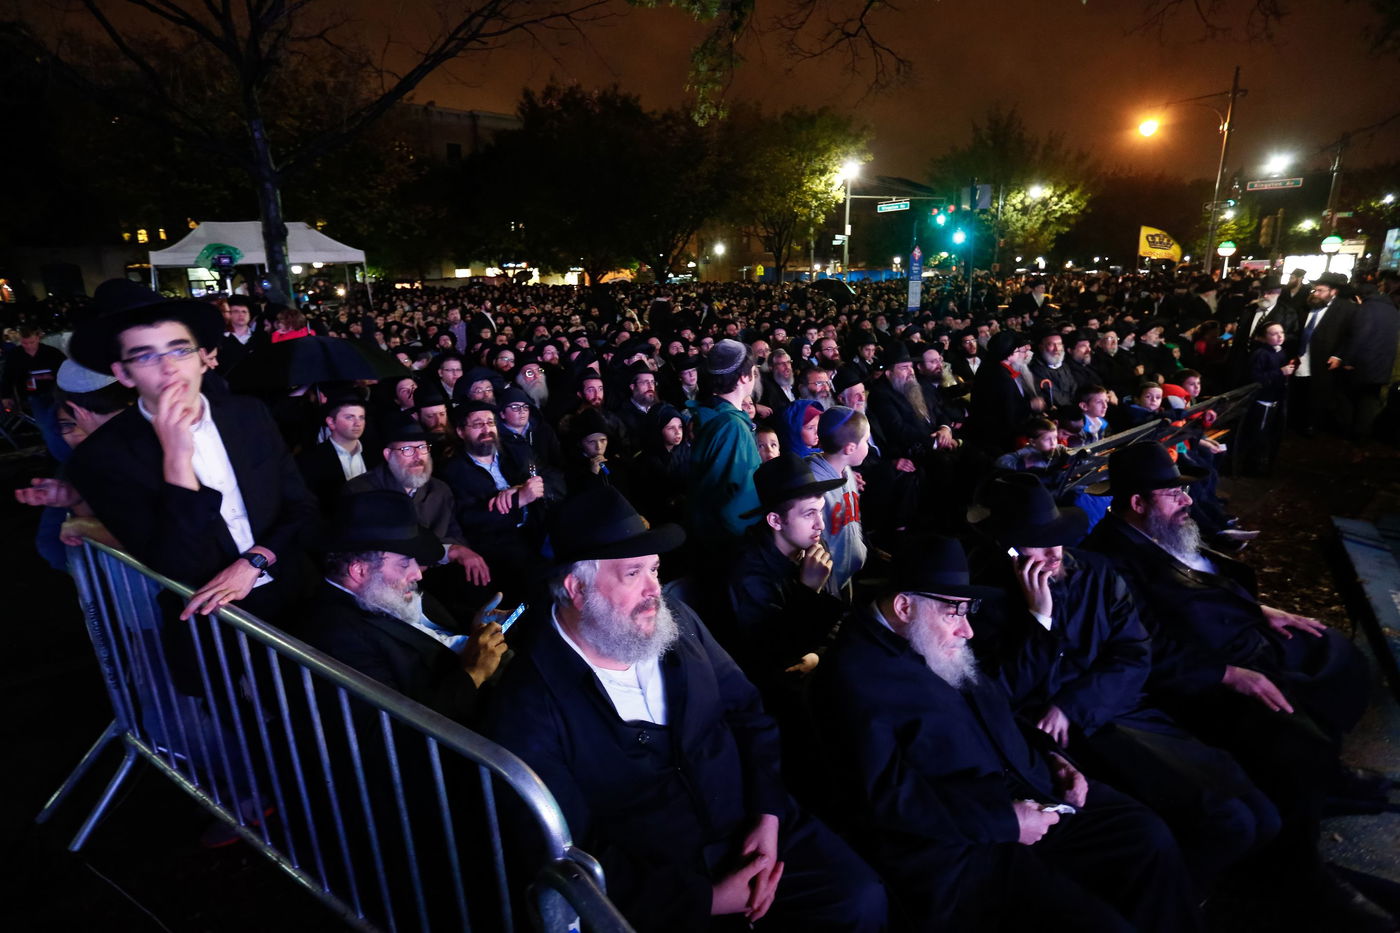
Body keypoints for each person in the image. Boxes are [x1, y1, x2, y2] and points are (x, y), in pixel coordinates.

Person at [482, 487, 887, 933]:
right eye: (633, 573)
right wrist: (709, 899)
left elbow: (748, 713)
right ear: (577, 589)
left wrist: (768, 814)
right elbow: (567, 852)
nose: (654, 590)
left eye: (655, 569)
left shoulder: (677, 622)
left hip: (753, 824)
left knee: (859, 899)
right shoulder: (527, 704)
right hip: (664, 880)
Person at [809, 534, 1201, 932]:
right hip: (965, 842)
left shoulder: (925, 634)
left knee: (1144, 834)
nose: (967, 630)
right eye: (954, 613)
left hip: (1027, 788)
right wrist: (1005, 821)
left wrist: (1054, 757)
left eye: (967, 612)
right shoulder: (850, 678)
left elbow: (997, 709)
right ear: (904, 606)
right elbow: (884, 798)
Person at [1081, 442, 1393, 929]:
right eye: (1173, 493)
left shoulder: (1160, 527)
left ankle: (1327, 778)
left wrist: (1262, 610)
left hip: (1236, 635)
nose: (1187, 500)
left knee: (1336, 658)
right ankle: (1297, 871)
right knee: (1290, 731)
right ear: (1137, 502)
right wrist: (1227, 674)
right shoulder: (1109, 558)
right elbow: (1146, 647)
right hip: (1197, 674)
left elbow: (1206, 577)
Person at [967, 473, 1279, 896]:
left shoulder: (1095, 572)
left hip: (1115, 709)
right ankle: (1180, 898)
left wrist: (1072, 705)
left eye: (1057, 539)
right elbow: (998, 693)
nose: (1054, 553)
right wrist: (1038, 620)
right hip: (1063, 741)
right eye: (1037, 544)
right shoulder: (983, 602)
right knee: (1227, 821)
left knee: (1260, 812)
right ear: (1008, 548)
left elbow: (1134, 652)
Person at [66, 279, 316, 625]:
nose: (169, 368)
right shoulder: (101, 457)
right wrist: (177, 460)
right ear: (123, 373)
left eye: (180, 350)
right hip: (210, 619)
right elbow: (175, 563)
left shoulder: (248, 414)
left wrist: (255, 560)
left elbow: (301, 504)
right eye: (146, 356)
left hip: (296, 587)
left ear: (202, 358)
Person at [303, 489, 507, 724]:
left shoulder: (379, 590)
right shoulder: (338, 637)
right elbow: (397, 726)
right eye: (404, 563)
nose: (417, 574)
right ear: (360, 570)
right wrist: (474, 674)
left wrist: (474, 626)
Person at [686, 339, 761, 548]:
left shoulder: (711, 415)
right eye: (753, 372)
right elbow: (736, 500)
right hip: (732, 544)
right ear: (744, 377)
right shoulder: (732, 427)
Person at [807, 406, 869, 599]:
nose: (868, 446)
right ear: (850, 448)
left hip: (847, 571)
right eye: (865, 441)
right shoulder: (814, 485)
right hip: (828, 579)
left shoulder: (845, 470)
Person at [1289, 271, 1355, 436]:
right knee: (1299, 390)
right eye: (1315, 290)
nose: (1316, 294)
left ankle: (1313, 425)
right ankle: (1296, 422)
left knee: (1318, 393)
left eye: (1320, 291)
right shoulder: (1307, 306)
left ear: (1333, 291)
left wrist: (1339, 355)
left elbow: (1351, 336)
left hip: (1324, 359)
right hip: (1301, 356)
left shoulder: (1346, 309)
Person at [296, 396, 382, 515]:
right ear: (331, 422)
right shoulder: (309, 459)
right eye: (349, 417)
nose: (358, 423)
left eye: (361, 417)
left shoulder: (376, 453)